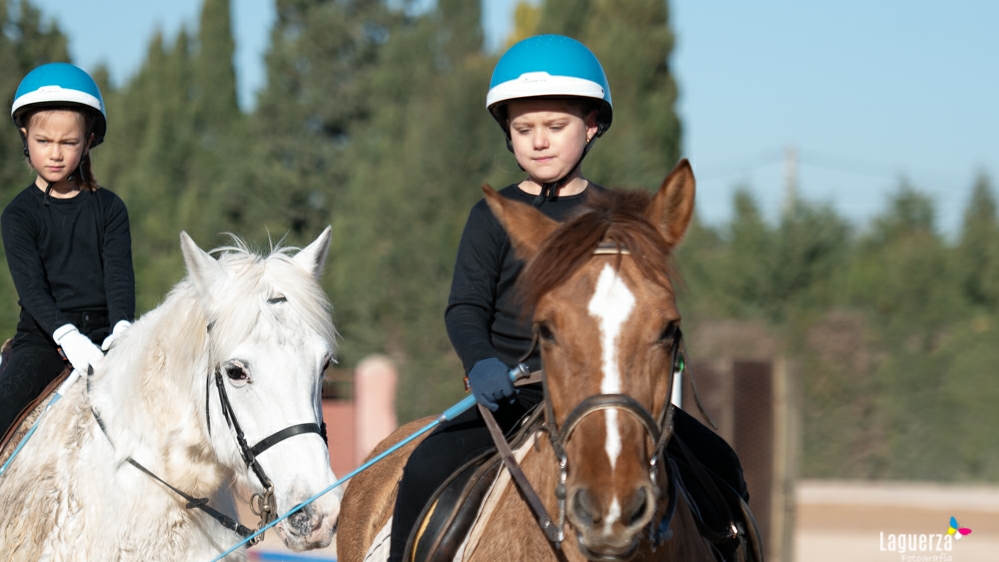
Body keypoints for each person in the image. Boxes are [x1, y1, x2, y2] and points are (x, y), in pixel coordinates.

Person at [388, 35, 747, 561]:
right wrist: (481, 360)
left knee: (720, 462)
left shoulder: (620, 221)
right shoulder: (491, 217)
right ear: (508, 135)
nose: (539, 141)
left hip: (611, 393)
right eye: (523, 129)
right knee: (425, 467)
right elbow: (465, 306)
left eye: (555, 127)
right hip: (514, 395)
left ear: (591, 125)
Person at [0, 62, 134, 438]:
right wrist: (67, 337)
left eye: (68, 142)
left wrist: (123, 330)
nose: (55, 154)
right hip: (44, 340)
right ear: (25, 137)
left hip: (106, 336)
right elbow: (32, 290)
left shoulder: (110, 208)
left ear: (88, 141)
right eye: (43, 141)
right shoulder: (17, 215)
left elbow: (119, 277)